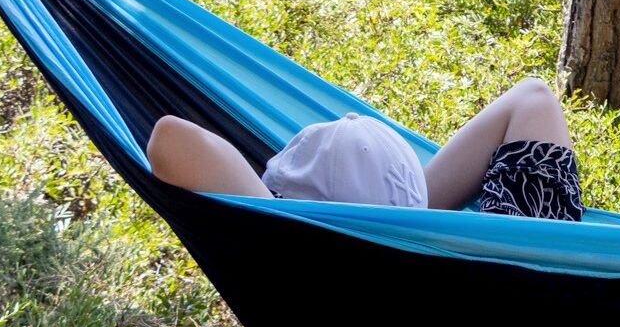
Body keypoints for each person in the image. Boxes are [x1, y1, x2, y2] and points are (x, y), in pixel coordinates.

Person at [145, 76, 584, 221]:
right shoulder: (516, 264)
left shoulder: (293, 266)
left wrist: (274, 212)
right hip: (509, 278)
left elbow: (170, 136)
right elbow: (532, 99)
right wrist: (415, 226)